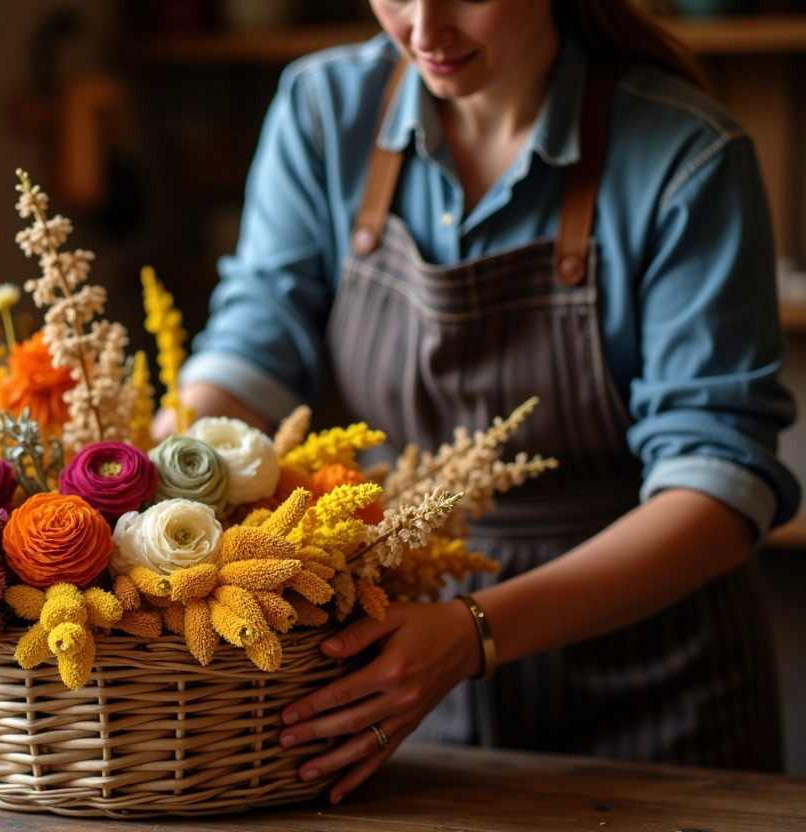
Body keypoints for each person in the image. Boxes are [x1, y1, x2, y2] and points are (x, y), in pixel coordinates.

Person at [167, 0, 802, 805]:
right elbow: (252, 351)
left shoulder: (686, 154)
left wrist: (474, 632)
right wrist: (162, 480)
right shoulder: (326, 109)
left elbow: (716, 493)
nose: (425, 31)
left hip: (655, 680)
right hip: (398, 668)